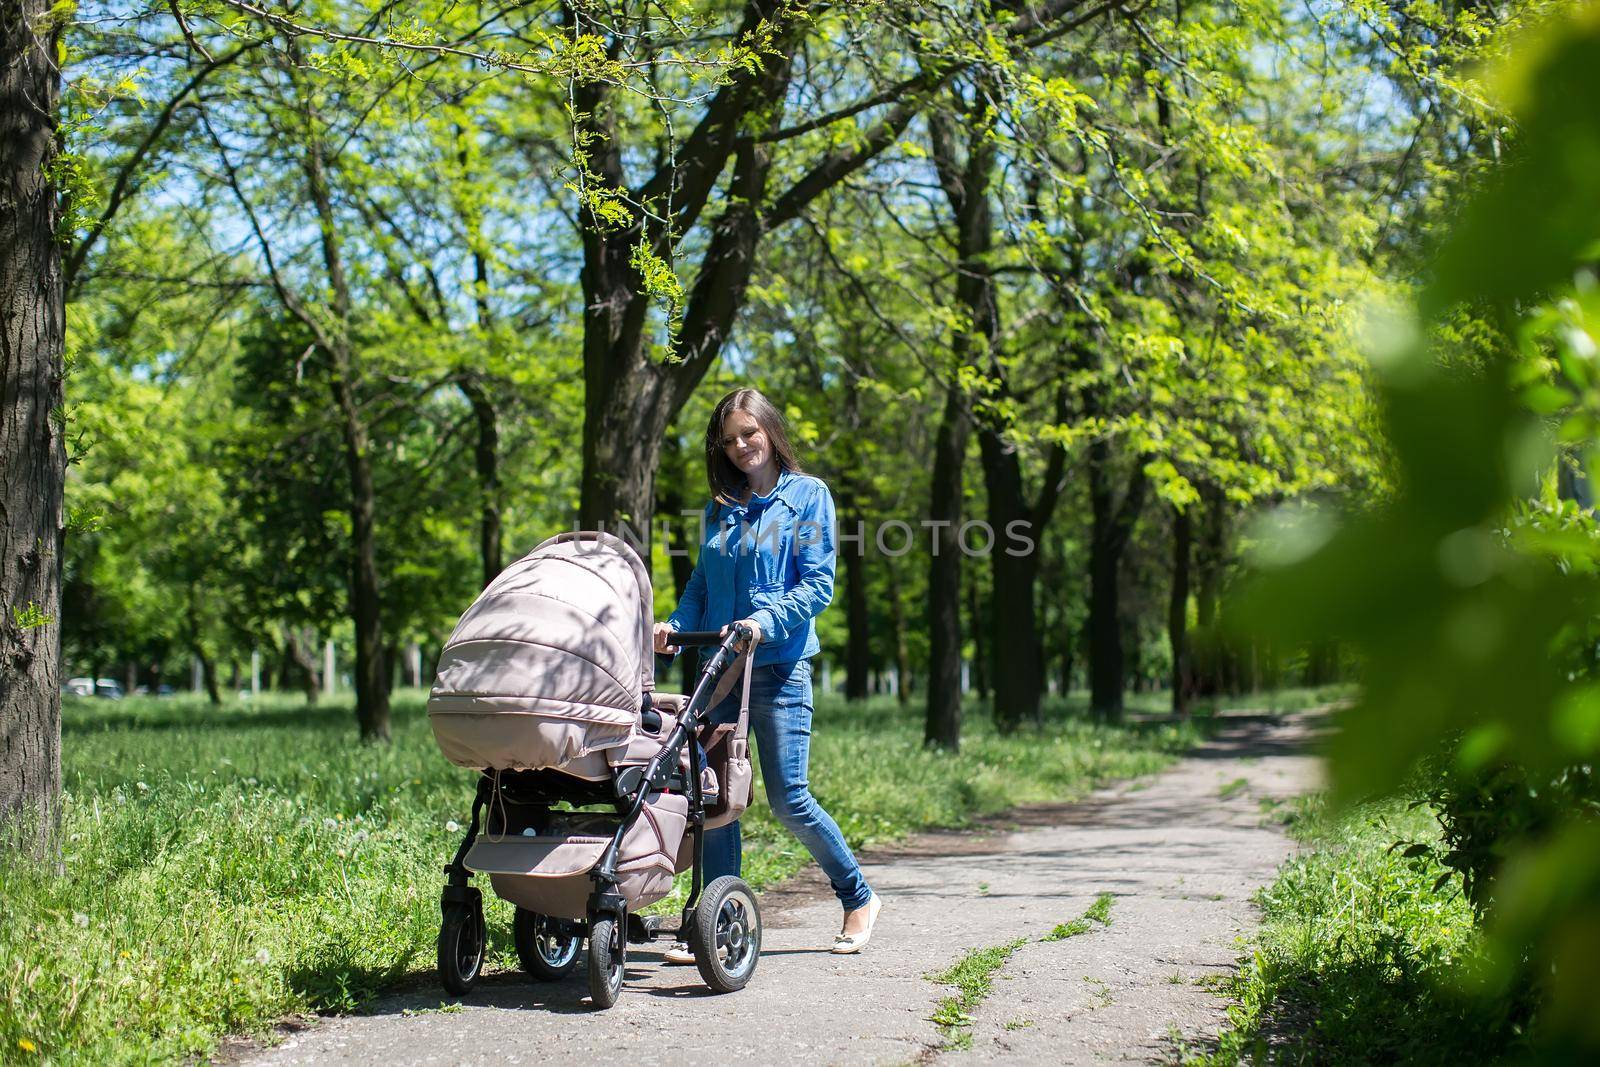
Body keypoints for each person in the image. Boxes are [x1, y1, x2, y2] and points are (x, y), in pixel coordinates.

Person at [654, 387, 882, 958]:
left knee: (789, 799)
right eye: (728, 440)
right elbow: (702, 586)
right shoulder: (719, 507)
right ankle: (718, 921)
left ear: (770, 431)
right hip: (720, 672)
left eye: (748, 434)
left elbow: (817, 585)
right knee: (715, 798)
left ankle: (858, 896)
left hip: (779, 669)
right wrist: (675, 627)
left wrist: (763, 620)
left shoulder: (808, 498)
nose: (739, 447)